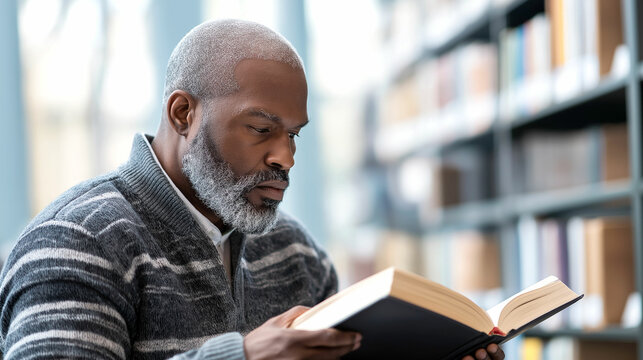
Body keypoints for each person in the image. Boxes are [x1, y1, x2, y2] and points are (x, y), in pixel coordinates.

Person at [0, 19, 504, 360]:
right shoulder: (76, 243)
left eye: (294, 134)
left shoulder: (295, 252)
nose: (284, 158)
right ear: (183, 114)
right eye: (261, 129)